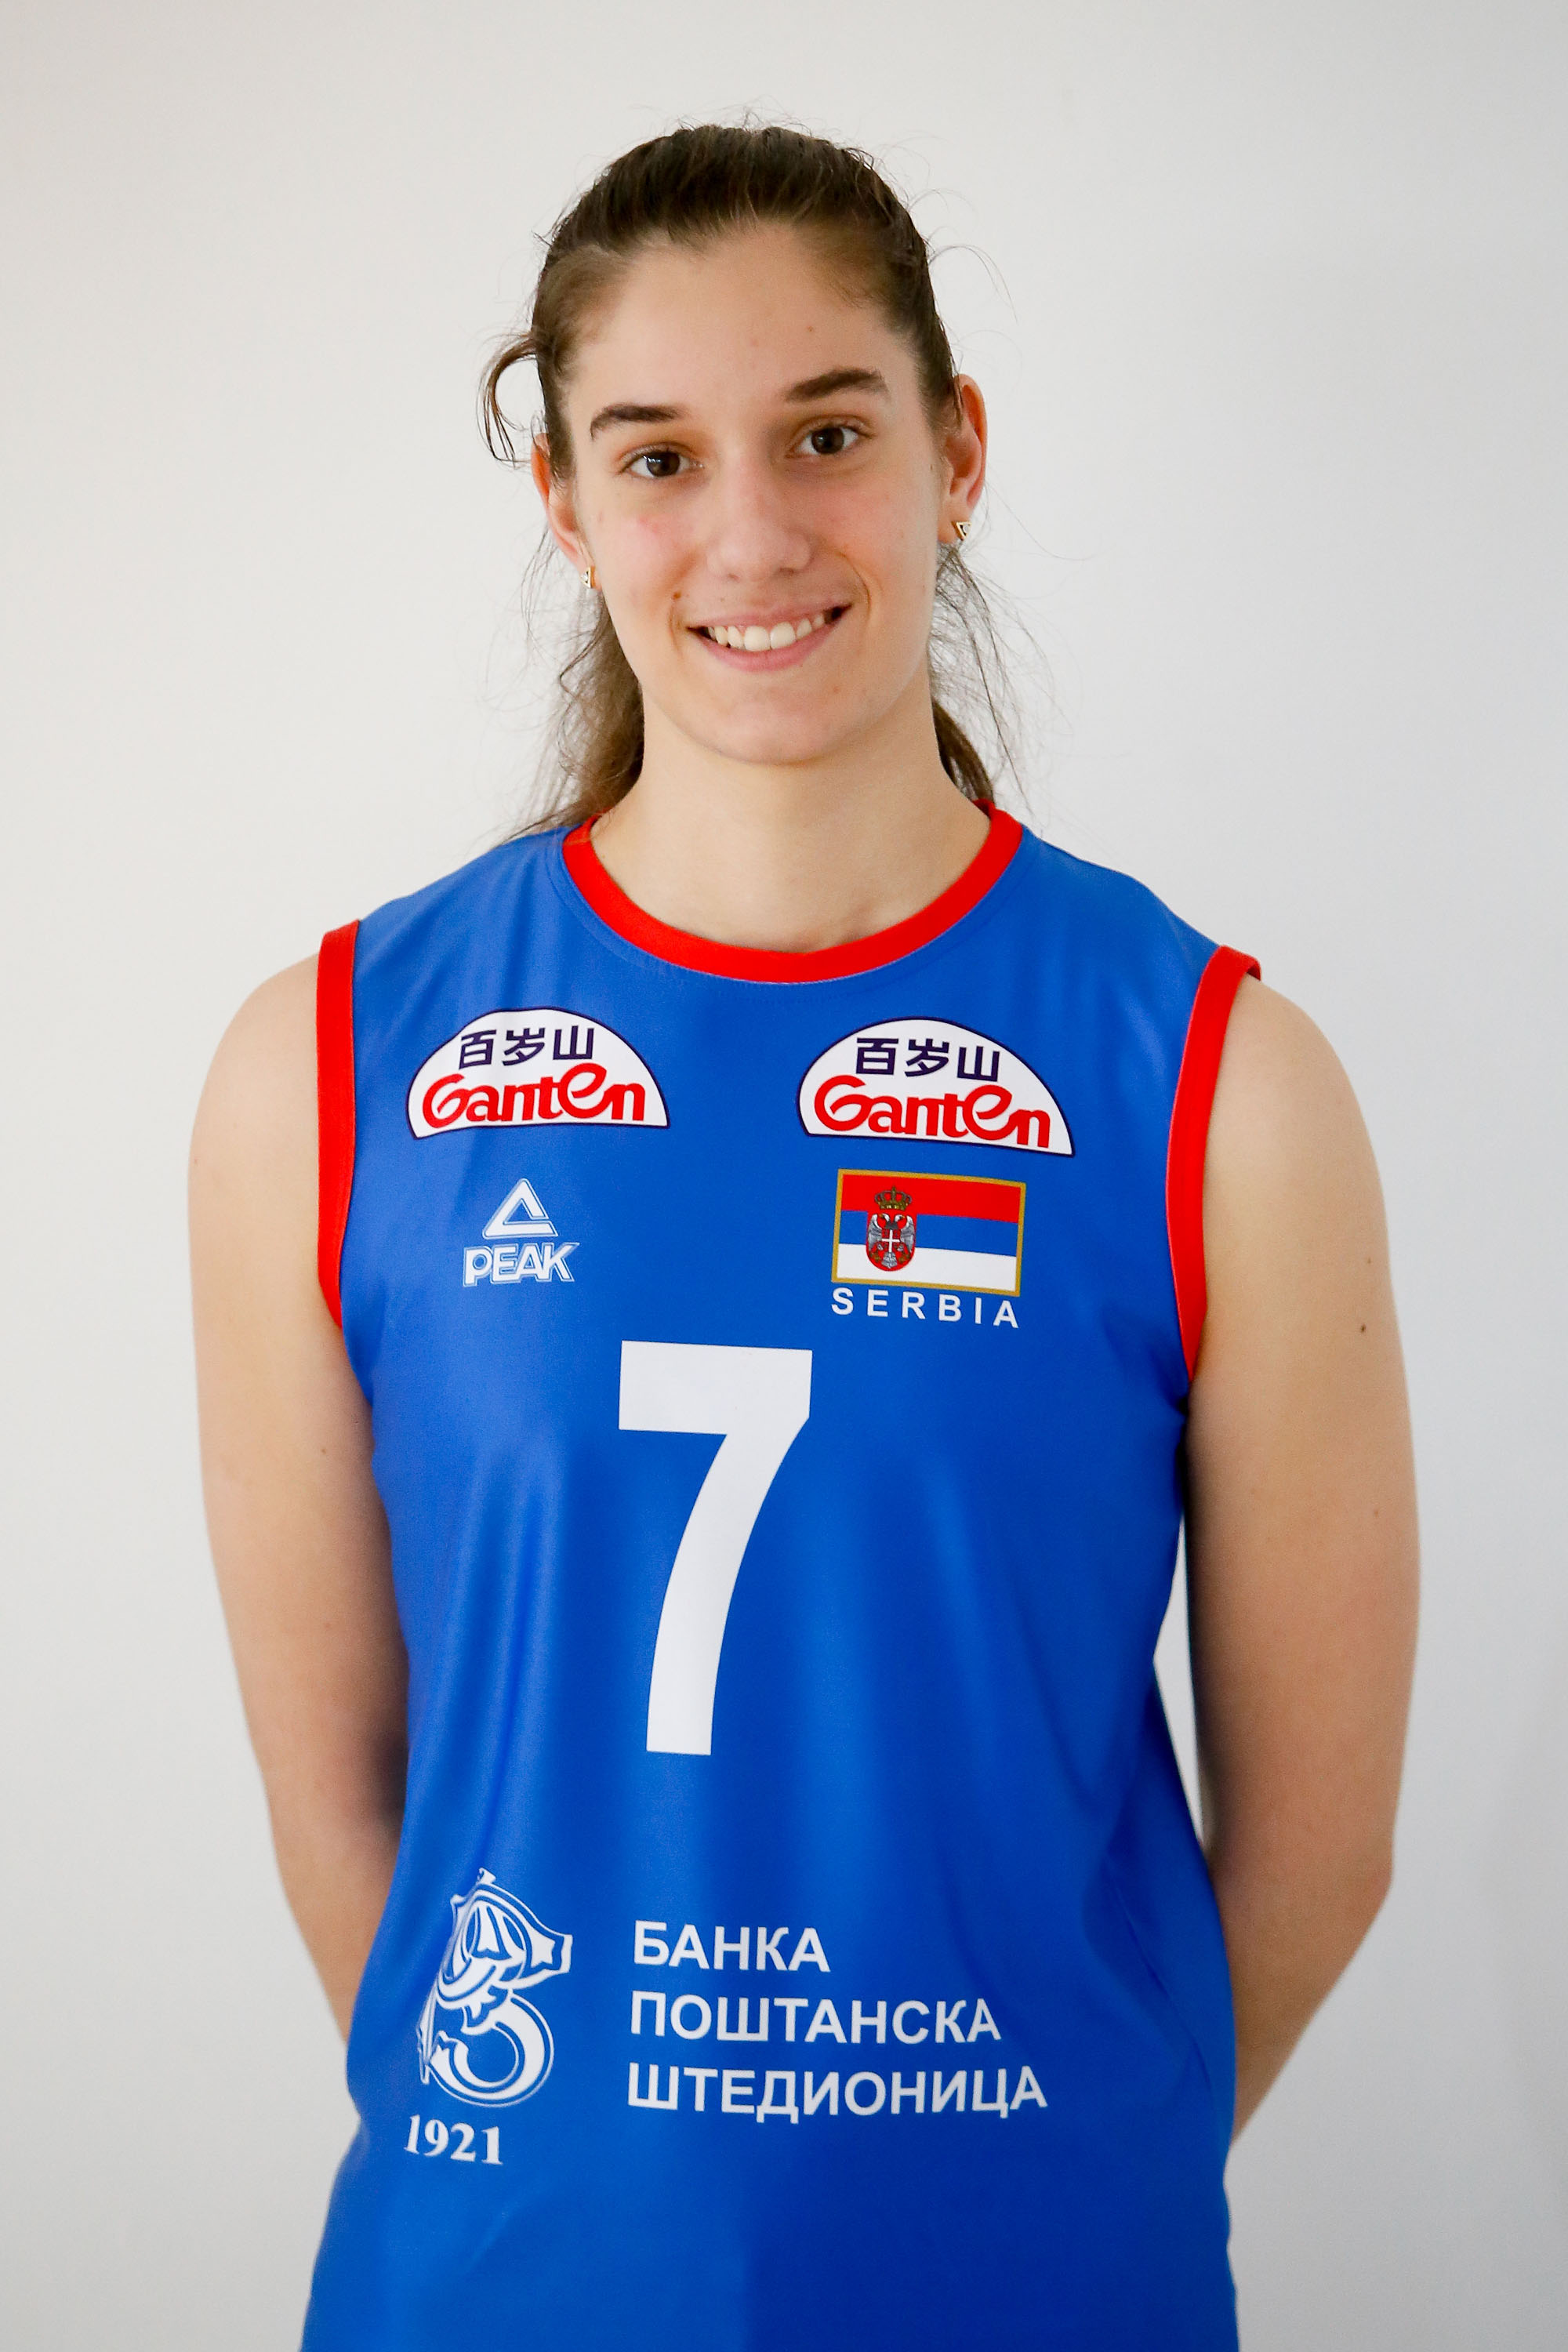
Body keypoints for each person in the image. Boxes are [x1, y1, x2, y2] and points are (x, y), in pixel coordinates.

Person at [190, 124, 1418, 2350]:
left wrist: (1037, 2174)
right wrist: (569, 2158)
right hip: (495, 2290)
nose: (752, 533)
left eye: (829, 433)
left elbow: (1319, 1850)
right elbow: (340, 1799)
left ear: (957, 451)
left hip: (1042, 2291)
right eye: (658, 457)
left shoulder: (1218, 1085)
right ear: (566, 504)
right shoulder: (330, 1071)